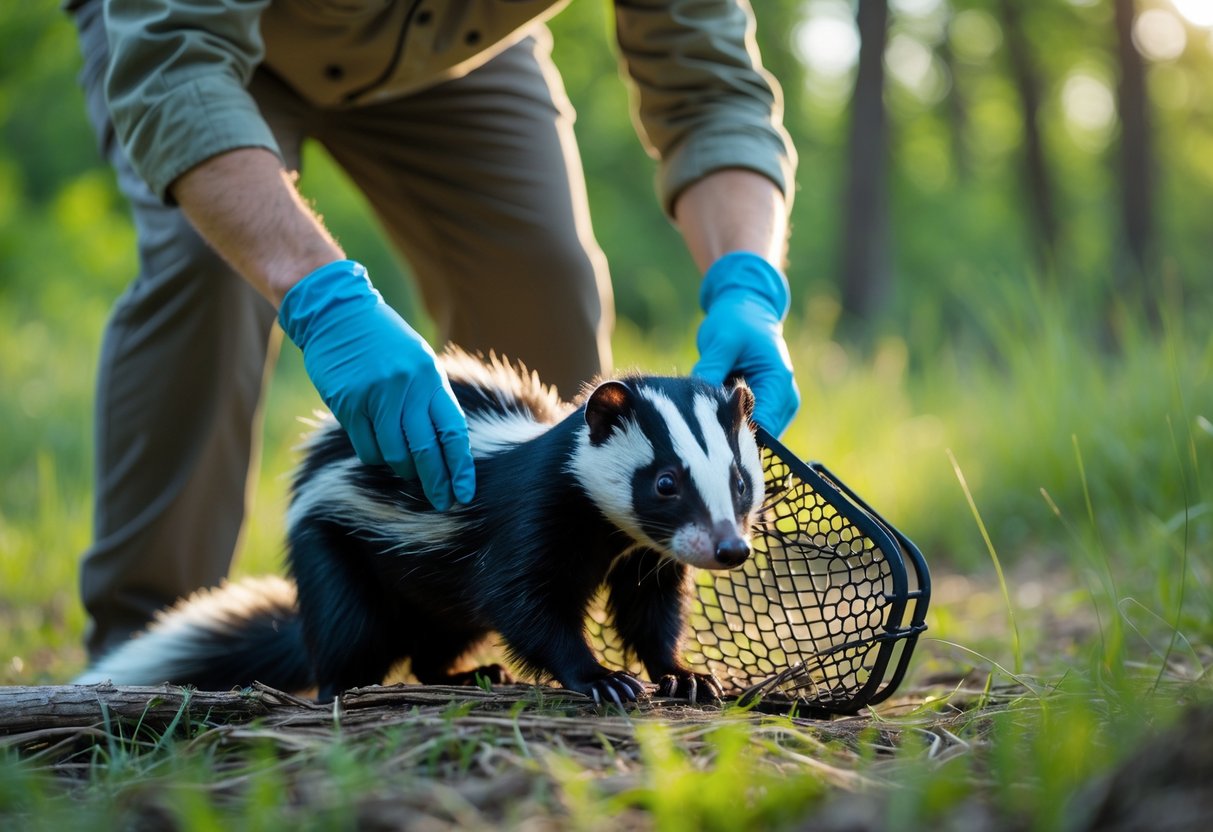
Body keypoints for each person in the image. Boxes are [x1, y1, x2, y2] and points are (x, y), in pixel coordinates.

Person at [68, 0, 801, 660]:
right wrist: (321, 297)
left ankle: (506, 626)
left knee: (540, 277)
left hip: (450, 44)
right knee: (211, 267)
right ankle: (140, 654)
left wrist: (749, 284)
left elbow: (710, 87)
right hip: (200, 39)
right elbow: (171, 56)